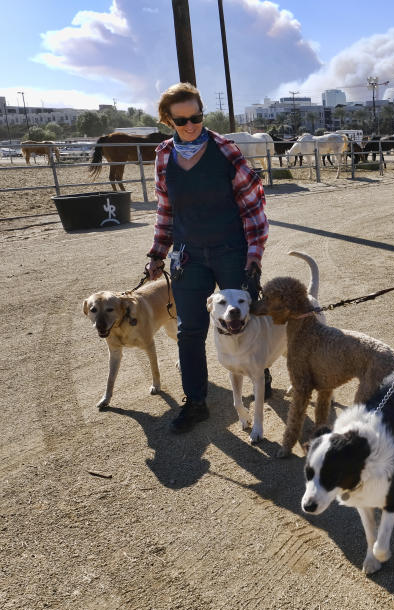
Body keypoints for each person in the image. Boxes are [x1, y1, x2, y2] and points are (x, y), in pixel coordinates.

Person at [145, 82, 269, 434]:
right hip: (188, 257)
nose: (190, 125)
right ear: (168, 120)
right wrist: (157, 253)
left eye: (196, 117)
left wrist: (254, 256)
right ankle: (196, 402)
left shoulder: (226, 151)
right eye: (181, 120)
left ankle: (260, 371)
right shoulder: (163, 155)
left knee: (246, 316)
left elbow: (253, 207)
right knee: (190, 330)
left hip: (232, 251)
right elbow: (165, 209)